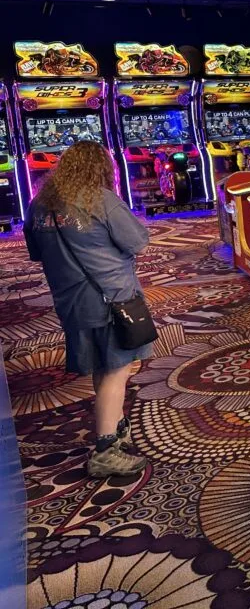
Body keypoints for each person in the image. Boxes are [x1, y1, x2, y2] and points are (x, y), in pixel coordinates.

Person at [24, 141, 151, 478]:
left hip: (69, 300)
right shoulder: (100, 198)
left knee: (103, 365)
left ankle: (115, 425)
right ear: (101, 167)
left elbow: (35, 252)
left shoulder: (39, 204)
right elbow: (138, 240)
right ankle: (106, 448)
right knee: (118, 369)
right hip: (111, 298)